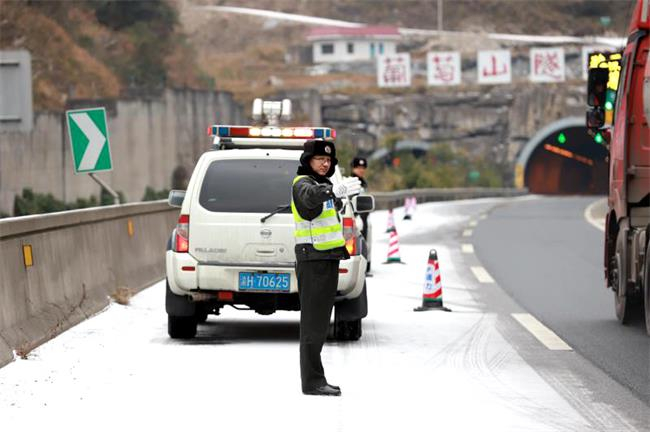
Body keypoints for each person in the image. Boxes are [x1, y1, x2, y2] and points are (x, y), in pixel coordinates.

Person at [291, 139, 361, 397]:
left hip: (326, 258)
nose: (325, 163)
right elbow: (310, 198)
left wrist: (338, 198)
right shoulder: (303, 184)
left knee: (319, 324)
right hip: (314, 261)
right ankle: (312, 382)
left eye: (328, 160)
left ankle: (315, 380)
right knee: (313, 325)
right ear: (308, 160)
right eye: (320, 159)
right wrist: (332, 191)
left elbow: (325, 213)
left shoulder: (322, 185)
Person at [351, 156, 370, 240]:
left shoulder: (363, 182)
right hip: (356, 218)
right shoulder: (351, 182)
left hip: (363, 217)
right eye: (358, 168)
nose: (361, 170)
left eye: (363, 168)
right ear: (353, 168)